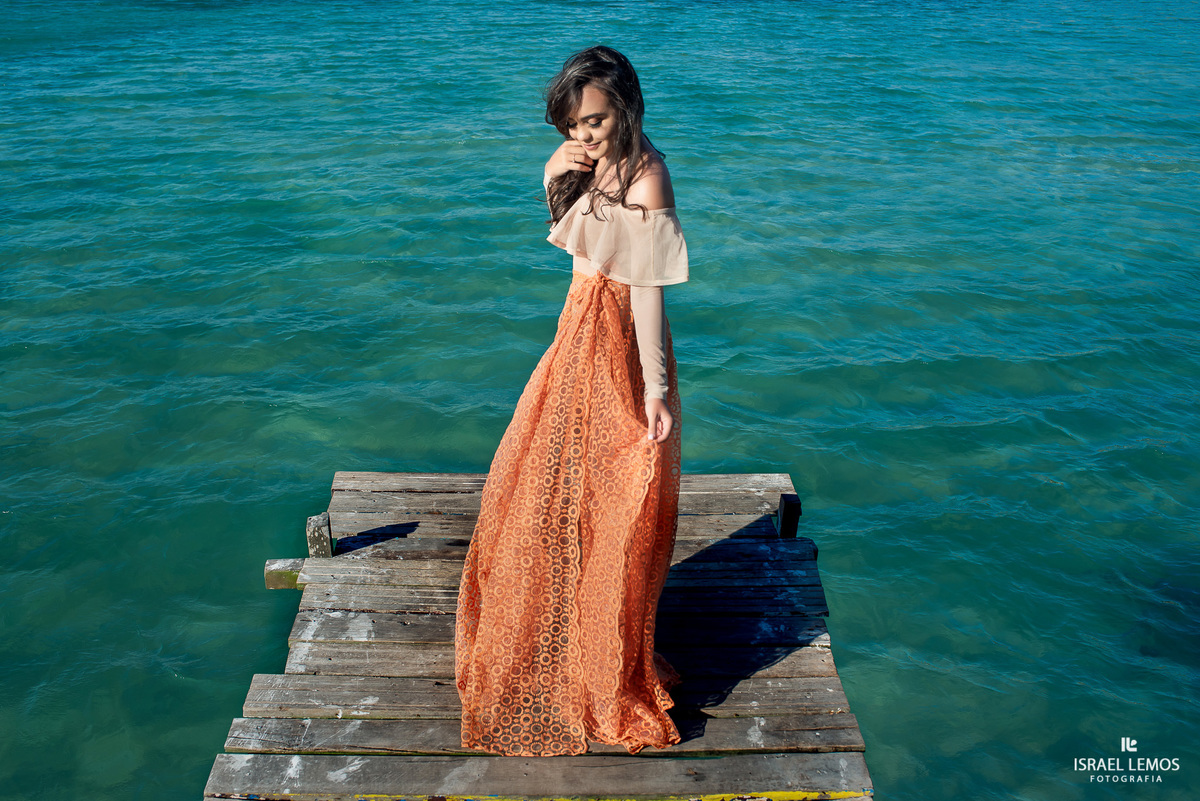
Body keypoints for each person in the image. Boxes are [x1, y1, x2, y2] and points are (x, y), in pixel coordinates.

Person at [454, 45, 688, 757]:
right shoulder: (584, 155)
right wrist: (553, 168)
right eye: (572, 123)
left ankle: (602, 661)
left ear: (625, 105)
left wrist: (654, 388)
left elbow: (646, 289)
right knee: (551, 481)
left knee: (620, 490)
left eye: (592, 121)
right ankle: (557, 638)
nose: (581, 135)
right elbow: (572, 218)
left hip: (620, 339)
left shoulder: (648, 176)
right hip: (577, 326)